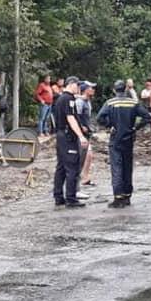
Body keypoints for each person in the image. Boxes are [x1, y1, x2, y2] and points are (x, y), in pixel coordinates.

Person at [97, 79, 151, 208]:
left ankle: (118, 197)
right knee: (127, 166)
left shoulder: (110, 103)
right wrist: (135, 127)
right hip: (129, 138)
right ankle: (127, 195)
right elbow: (147, 117)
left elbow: (99, 118)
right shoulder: (133, 103)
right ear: (126, 89)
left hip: (116, 137)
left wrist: (109, 125)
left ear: (114, 90)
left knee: (116, 167)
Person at [52, 77, 88, 208]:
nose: (78, 88)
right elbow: (70, 117)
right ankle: (71, 198)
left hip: (61, 135)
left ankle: (58, 196)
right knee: (72, 167)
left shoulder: (61, 98)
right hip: (68, 137)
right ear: (71, 84)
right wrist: (80, 136)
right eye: (77, 85)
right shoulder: (68, 99)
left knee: (61, 167)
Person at [78, 80, 97, 186]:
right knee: (85, 155)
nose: (93, 90)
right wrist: (81, 127)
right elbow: (76, 116)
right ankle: (82, 178)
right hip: (81, 132)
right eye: (91, 88)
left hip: (87, 131)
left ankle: (85, 177)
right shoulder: (80, 102)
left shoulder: (87, 101)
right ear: (85, 90)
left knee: (88, 155)